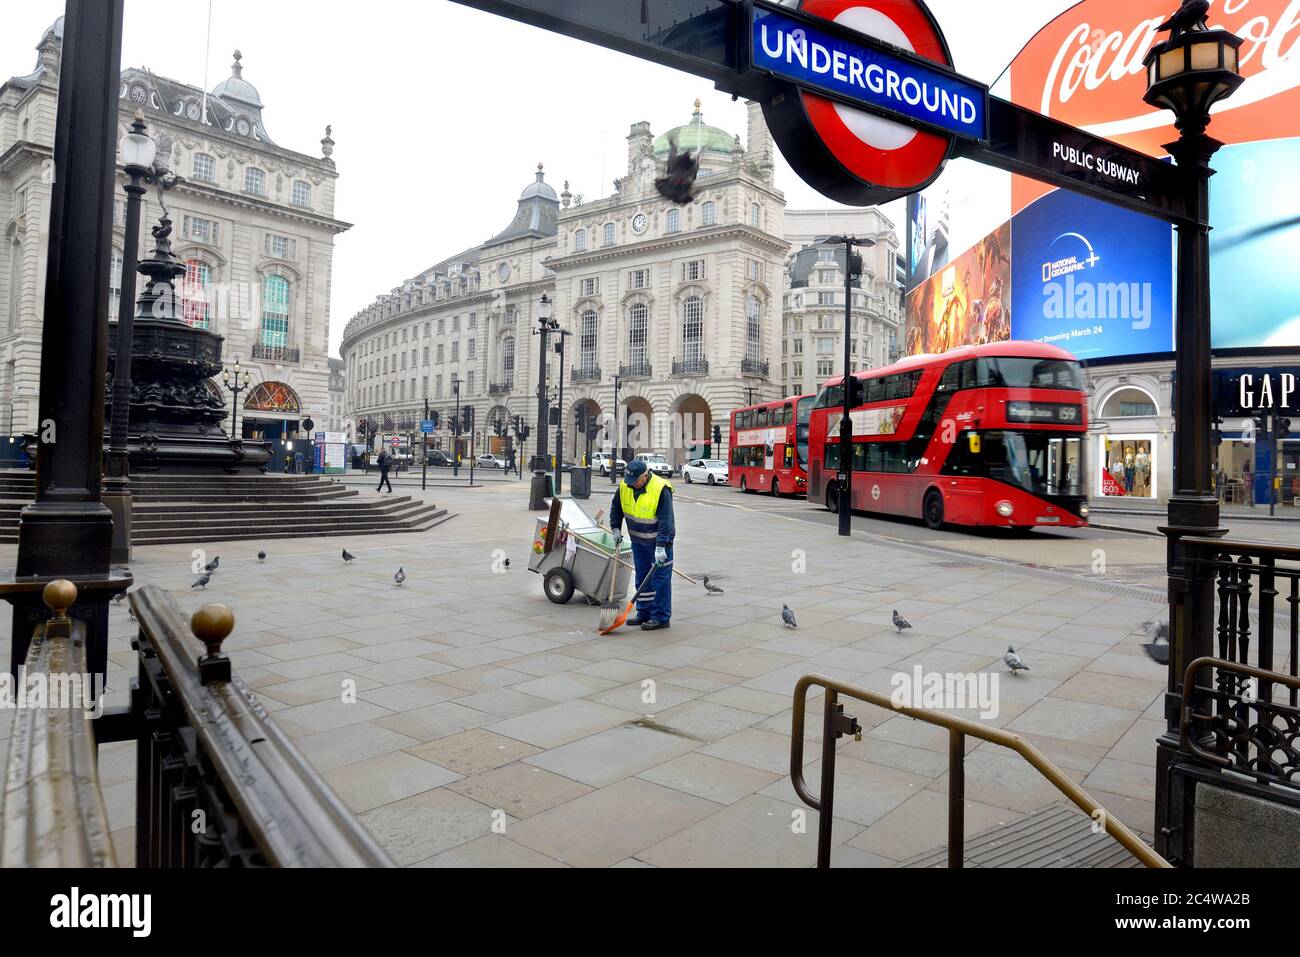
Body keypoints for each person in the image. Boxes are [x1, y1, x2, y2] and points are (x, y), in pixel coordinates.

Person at [609, 458, 674, 631]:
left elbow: (667, 522)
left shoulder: (661, 489)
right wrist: (615, 528)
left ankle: (660, 617)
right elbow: (616, 508)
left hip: (659, 545)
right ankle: (644, 612)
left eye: (635, 481)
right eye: (629, 481)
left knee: (660, 580)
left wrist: (661, 546)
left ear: (645, 476)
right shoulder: (625, 486)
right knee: (642, 578)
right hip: (638, 542)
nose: (631, 485)